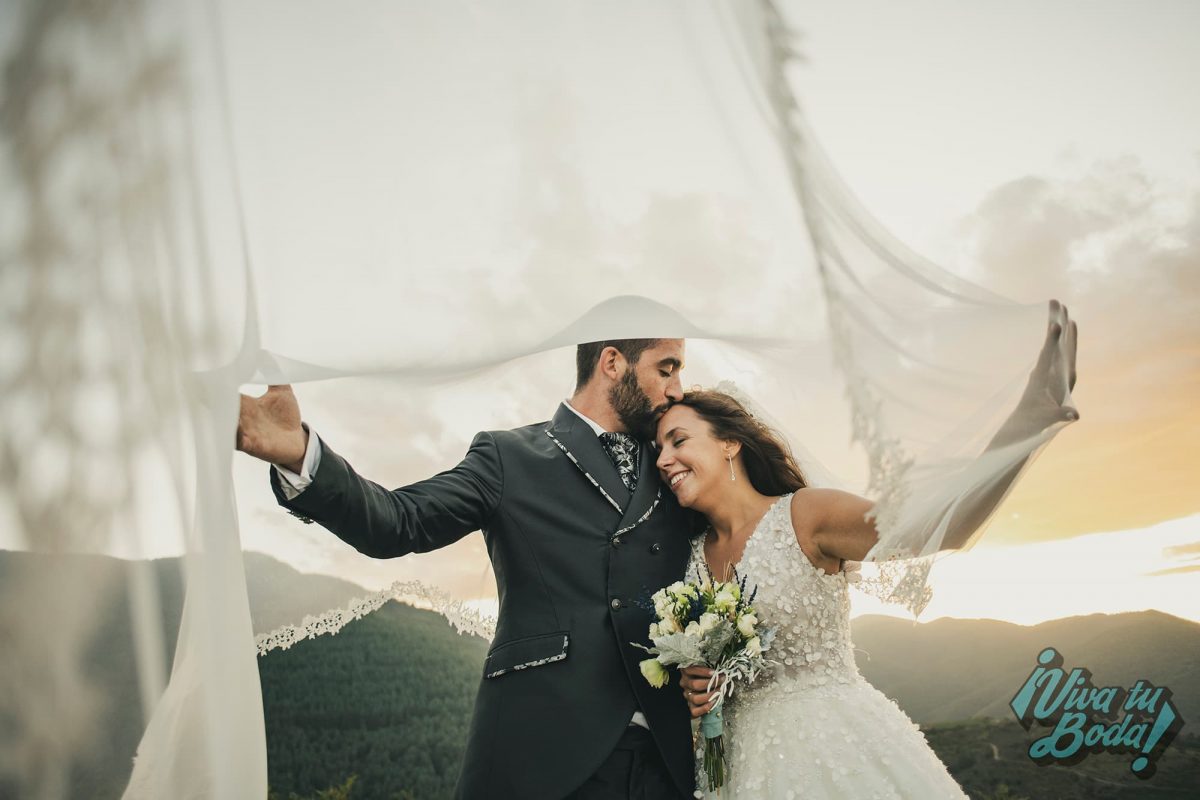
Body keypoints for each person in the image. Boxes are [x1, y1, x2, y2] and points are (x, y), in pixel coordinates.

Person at [236, 338, 698, 799]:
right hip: (541, 749)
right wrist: (299, 453)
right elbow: (399, 522)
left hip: (666, 758)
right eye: (667, 368)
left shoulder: (675, 464)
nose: (678, 389)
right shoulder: (508, 456)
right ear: (613, 363)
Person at [661, 305, 1077, 797]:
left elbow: (936, 528)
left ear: (730, 444)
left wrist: (1031, 420)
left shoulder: (807, 515)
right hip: (739, 768)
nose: (665, 460)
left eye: (678, 440)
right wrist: (701, 681)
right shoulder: (686, 557)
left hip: (836, 751)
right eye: (659, 449)